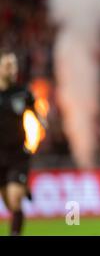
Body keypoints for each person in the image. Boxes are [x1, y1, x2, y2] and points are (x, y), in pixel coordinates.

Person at [0, 49, 37, 235]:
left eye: (14, 64)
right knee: (8, 202)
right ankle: (24, 188)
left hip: (17, 154)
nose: (13, 69)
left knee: (15, 199)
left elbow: (37, 116)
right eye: (8, 65)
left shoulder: (23, 93)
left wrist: (34, 141)